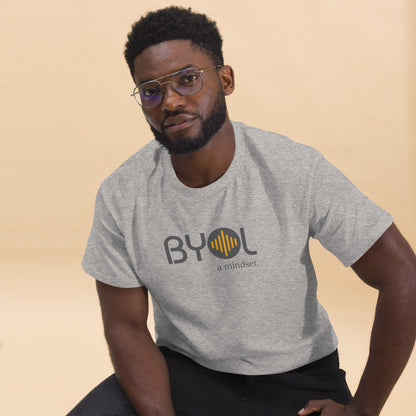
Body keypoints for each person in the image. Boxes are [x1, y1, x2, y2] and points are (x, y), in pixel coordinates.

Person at [67, 6, 416, 416]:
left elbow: (403, 275)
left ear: (225, 79)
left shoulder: (293, 168)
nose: (171, 101)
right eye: (150, 91)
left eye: (188, 79)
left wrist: (362, 411)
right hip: (185, 374)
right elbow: (125, 325)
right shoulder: (122, 194)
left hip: (298, 380)